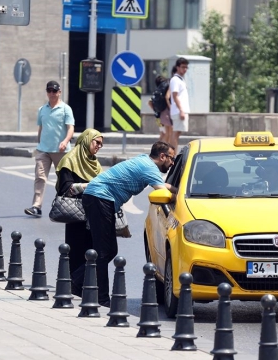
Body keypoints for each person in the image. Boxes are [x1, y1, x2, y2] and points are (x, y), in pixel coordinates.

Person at [81, 141, 178, 307]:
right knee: (104, 251)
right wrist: (179, 198)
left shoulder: (145, 163)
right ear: (162, 156)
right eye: (171, 158)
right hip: (100, 198)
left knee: (108, 250)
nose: (173, 163)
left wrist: (180, 189)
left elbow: (166, 186)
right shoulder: (148, 167)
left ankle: (76, 283)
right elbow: (162, 191)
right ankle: (101, 298)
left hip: (99, 198)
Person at [54, 129, 103, 296]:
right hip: (75, 214)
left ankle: (84, 285)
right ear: (87, 140)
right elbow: (65, 188)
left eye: (101, 144)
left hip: (93, 214)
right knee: (75, 250)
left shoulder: (94, 163)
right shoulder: (69, 160)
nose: (99, 146)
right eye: (97, 142)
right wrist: (87, 186)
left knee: (92, 250)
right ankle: (72, 285)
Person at [24, 81, 75, 217]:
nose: (52, 93)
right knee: (40, 177)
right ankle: (36, 207)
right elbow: (41, 127)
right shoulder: (42, 109)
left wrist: (65, 141)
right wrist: (39, 142)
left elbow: (71, 128)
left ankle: (65, 206)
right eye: (49, 91)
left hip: (61, 151)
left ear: (59, 92)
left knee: (64, 179)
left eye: (54, 91)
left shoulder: (65, 109)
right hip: (44, 150)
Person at [170, 58, 190, 151]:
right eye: (183, 67)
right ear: (177, 67)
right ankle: (172, 155)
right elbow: (175, 95)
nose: (185, 69)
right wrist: (181, 110)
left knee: (177, 133)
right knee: (176, 133)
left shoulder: (181, 79)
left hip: (181, 110)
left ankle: (172, 154)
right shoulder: (175, 79)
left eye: (186, 67)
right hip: (179, 111)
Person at [148, 74, 172, 143]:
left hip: (157, 116)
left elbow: (149, 102)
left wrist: (155, 109)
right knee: (167, 133)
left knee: (162, 133)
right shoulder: (164, 90)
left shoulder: (157, 91)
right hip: (164, 115)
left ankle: (158, 147)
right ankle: (161, 148)